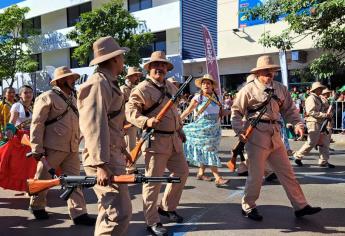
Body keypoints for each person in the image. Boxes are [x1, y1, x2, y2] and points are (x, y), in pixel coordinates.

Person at [231, 55, 321, 221]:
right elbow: (236, 112)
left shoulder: (280, 88)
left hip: (276, 134)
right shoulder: (248, 90)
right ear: (258, 73)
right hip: (256, 135)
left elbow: (290, 110)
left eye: (272, 71)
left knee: (288, 173)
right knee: (256, 176)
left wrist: (298, 125)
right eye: (266, 71)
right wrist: (239, 131)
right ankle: (248, 206)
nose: (270, 74)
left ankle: (300, 206)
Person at [126, 51, 189, 236]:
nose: (160, 68)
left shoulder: (169, 86)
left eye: (163, 66)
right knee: (153, 183)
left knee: (182, 172)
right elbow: (131, 112)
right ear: (149, 69)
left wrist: (179, 129)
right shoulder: (142, 89)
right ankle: (151, 221)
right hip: (156, 140)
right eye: (156, 66)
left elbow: (174, 111)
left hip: (174, 139)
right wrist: (146, 121)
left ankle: (167, 207)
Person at [78, 36, 132, 236]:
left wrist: (123, 148)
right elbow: (94, 125)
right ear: (115, 59)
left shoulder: (108, 83)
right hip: (102, 160)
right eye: (121, 57)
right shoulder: (98, 83)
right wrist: (100, 165)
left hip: (110, 155)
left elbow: (111, 124)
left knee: (108, 212)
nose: (123, 61)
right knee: (118, 213)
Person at [29, 66, 95, 225]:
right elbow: (37, 123)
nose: (74, 80)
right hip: (53, 146)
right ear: (61, 80)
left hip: (72, 147)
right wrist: (36, 147)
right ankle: (37, 206)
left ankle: (79, 213)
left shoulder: (74, 98)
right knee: (43, 178)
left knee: (75, 180)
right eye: (70, 78)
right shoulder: (47, 97)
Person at [180, 74, 229, 187]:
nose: (206, 85)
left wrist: (237, 111)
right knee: (210, 151)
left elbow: (221, 113)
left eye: (208, 83)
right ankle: (218, 177)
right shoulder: (198, 98)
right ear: (201, 86)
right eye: (203, 83)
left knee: (205, 150)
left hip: (215, 129)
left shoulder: (217, 98)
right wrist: (178, 121)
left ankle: (201, 173)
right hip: (202, 128)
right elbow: (188, 110)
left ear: (212, 85)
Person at [0, 85, 36, 191]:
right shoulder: (16, 106)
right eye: (25, 92)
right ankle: (27, 187)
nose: (28, 94)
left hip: (35, 137)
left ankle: (32, 186)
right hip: (22, 138)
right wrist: (9, 131)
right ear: (20, 95)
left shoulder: (36, 105)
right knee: (22, 166)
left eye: (30, 92)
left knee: (34, 164)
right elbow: (11, 121)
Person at [294, 82, 334, 168]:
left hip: (321, 122)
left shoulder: (318, 98)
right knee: (312, 142)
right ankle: (298, 156)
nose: (321, 90)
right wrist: (324, 115)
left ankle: (323, 161)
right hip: (313, 122)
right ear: (316, 89)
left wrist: (328, 113)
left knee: (324, 142)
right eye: (320, 89)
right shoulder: (311, 98)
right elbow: (311, 112)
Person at [120, 67, 142, 174]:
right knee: (130, 146)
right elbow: (120, 108)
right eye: (136, 75)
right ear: (129, 77)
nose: (138, 77)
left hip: (135, 121)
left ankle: (130, 165)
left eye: (138, 75)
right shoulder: (123, 89)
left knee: (137, 146)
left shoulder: (136, 88)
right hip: (127, 122)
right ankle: (129, 168)